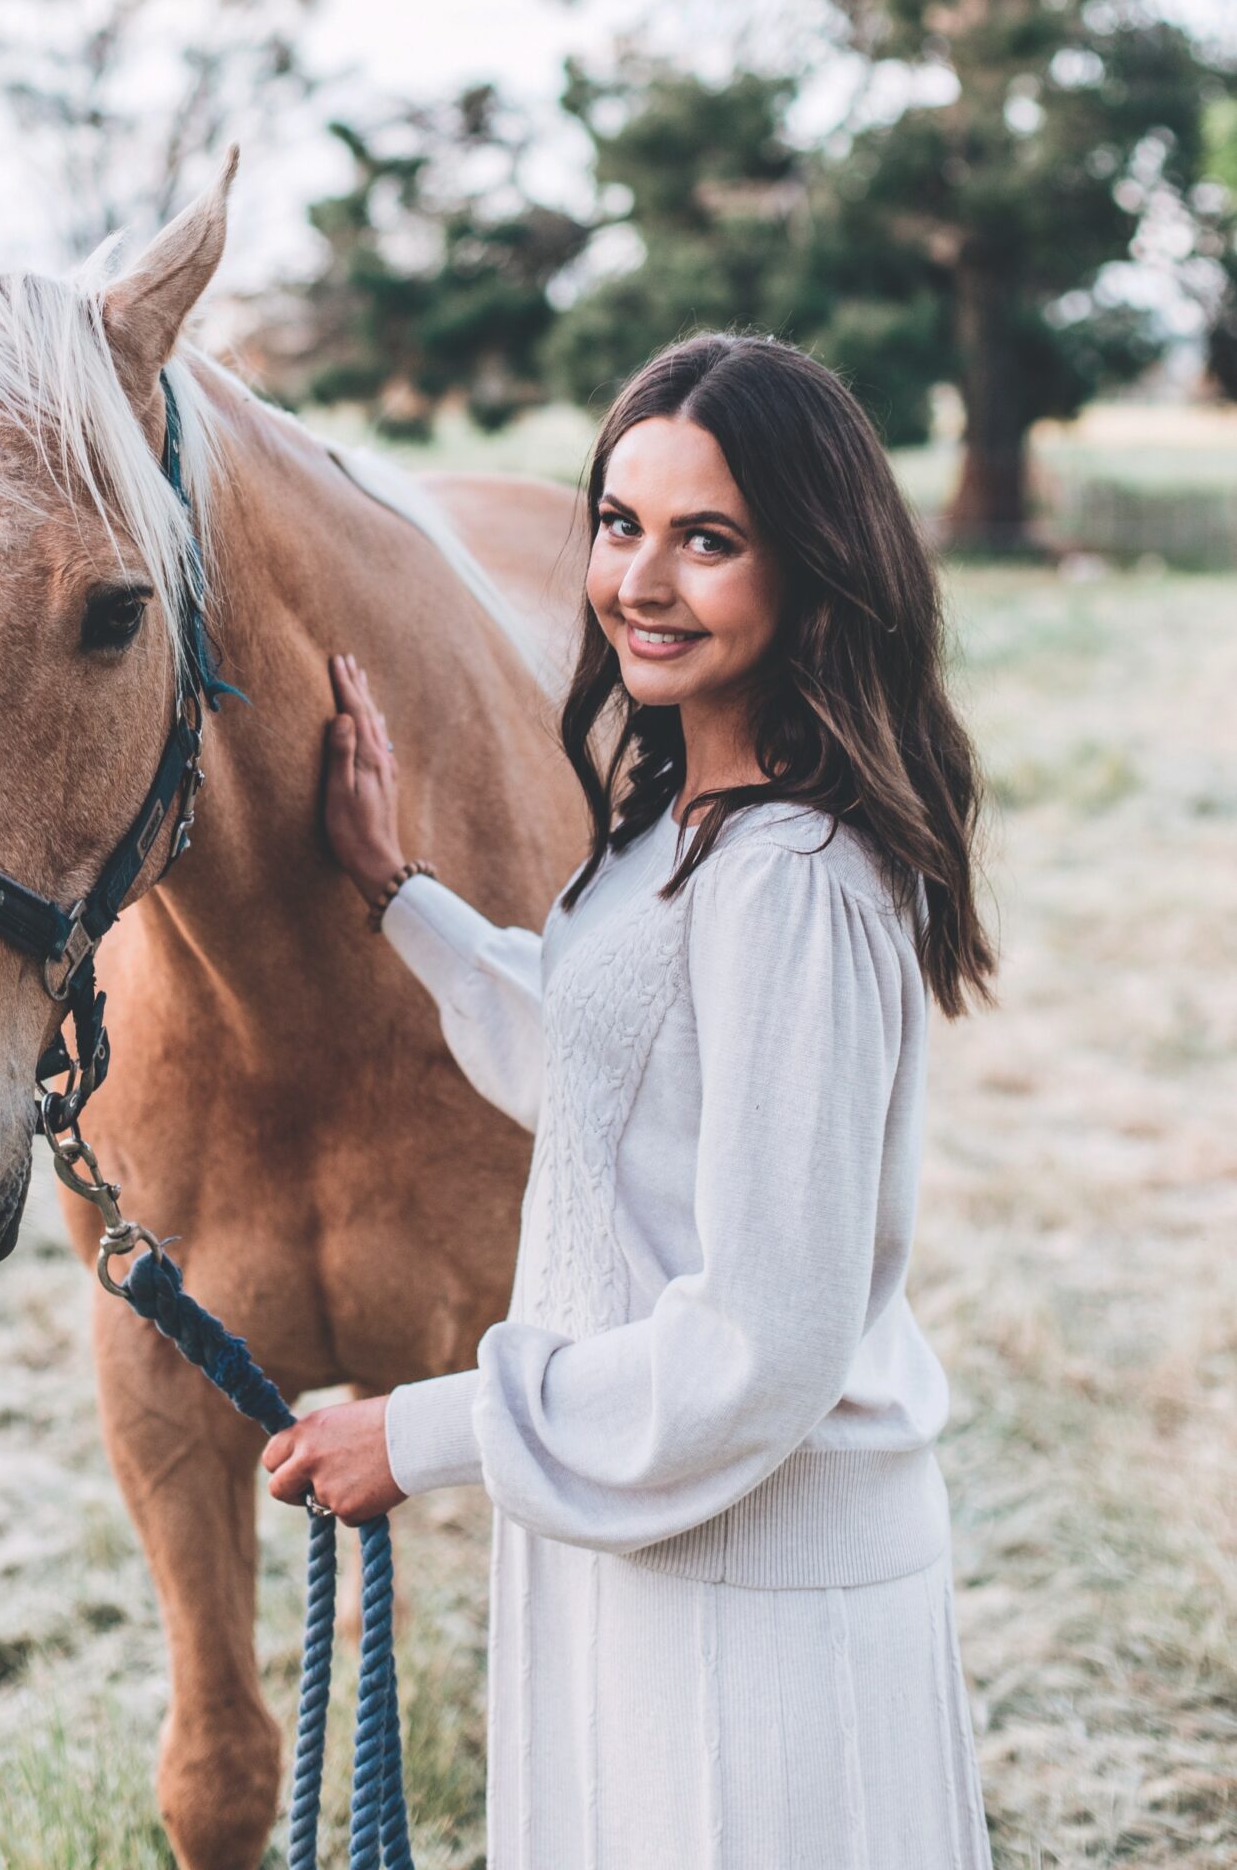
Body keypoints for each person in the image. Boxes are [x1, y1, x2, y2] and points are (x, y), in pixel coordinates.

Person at [262, 331, 996, 1867]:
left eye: (707, 541)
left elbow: (761, 1339)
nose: (639, 583)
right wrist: (398, 894)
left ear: (813, 567)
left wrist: (428, 1429)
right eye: (619, 525)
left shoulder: (791, 883)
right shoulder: (686, 827)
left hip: (758, 1597)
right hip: (650, 1531)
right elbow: (609, 1062)